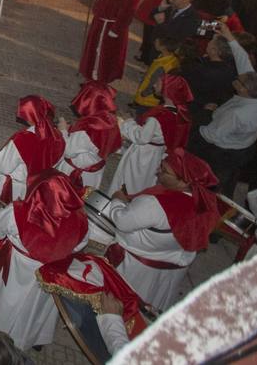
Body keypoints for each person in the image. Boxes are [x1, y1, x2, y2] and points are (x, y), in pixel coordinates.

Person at [0, 172, 88, 351]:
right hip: (50, 273)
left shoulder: (20, 212)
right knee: (35, 309)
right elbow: (81, 244)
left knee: (5, 303)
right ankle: (30, 340)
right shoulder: (79, 221)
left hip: (17, 268)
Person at [100, 149, 219, 310]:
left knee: (124, 306)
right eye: (161, 166)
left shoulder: (154, 205)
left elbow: (122, 221)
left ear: (184, 182)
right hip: (171, 270)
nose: (158, 172)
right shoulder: (206, 205)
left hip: (137, 269)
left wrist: (118, 200)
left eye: (164, 171)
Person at [189, 28, 257, 194]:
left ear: (244, 91)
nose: (236, 79)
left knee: (209, 180)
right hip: (243, 143)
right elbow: (243, 62)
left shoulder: (238, 114)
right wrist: (229, 36)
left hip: (224, 150)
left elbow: (212, 135)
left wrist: (200, 120)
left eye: (238, 82)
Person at [0, 96, 65, 204]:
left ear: (30, 116)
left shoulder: (23, 139)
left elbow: (1, 167)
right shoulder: (58, 137)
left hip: (15, 189)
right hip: (38, 190)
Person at [109, 75, 193, 196]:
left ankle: (120, 201)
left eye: (158, 84)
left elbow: (141, 137)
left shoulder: (159, 117)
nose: (154, 85)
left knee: (129, 179)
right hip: (158, 154)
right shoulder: (181, 114)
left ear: (167, 90)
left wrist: (127, 121)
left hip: (143, 155)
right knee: (146, 180)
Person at [78, 0, 140, 83]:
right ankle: (90, 74)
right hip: (99, 22)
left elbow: (128, 12)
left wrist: (116, 29)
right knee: (93, 49)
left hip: (112, 26)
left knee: (106, 54)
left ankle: (102, 77)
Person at [56, 81, 121, 190]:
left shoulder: (89, 127)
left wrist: (62, 130)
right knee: (85, 198)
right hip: (94, 175)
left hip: (75, 173)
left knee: (65, 198)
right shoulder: (110, 120)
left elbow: (68, 151)